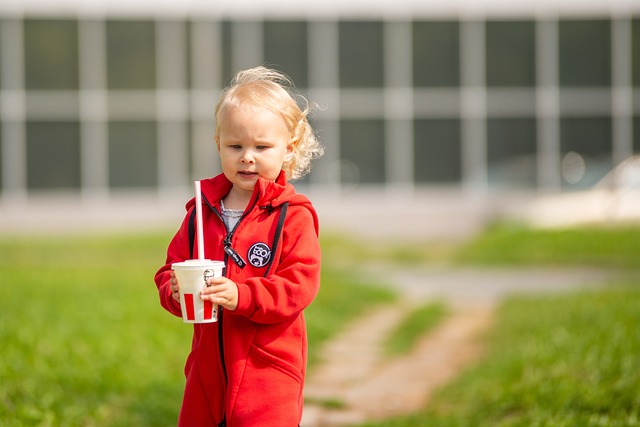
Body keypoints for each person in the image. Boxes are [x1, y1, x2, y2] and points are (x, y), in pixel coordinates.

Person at [154, 66, 324, 427]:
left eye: (261, 147)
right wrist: (173, 288)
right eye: (235, 146)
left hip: (268, 373)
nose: (247, 156)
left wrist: (242, 295)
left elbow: (299, 286)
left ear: (288, 148)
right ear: (218, 144)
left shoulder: (292, 216)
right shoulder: (202, 210)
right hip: (206, 373)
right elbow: (171, 268)